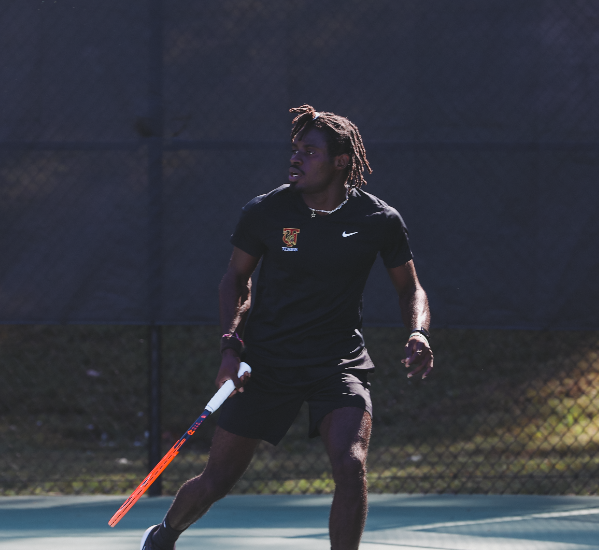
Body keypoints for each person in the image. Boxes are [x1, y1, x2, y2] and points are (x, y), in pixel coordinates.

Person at [141, 105, 433, 550]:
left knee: (350, 465)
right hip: (267, 364)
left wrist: (418, 332)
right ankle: (164, 535)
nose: (295, 158)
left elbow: (410, 288)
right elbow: (236, 280)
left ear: (341, 161)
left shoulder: (379, 220)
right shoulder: (266, 211)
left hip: (338, 363)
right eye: (295, 149)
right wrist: (230, 348)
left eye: (309, 151)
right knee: (217, 480)